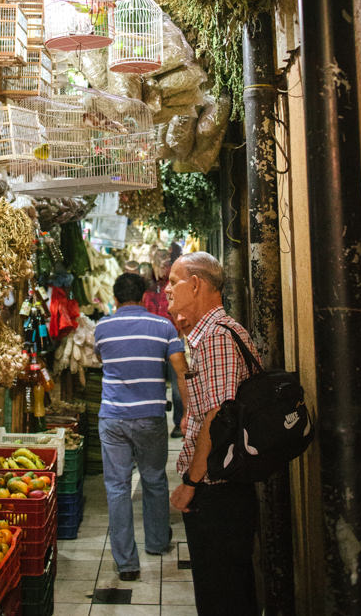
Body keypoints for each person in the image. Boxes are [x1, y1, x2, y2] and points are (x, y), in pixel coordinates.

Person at [166, 252, 260, 616]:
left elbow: (217, 417)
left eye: (173, 282)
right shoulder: (207, 335)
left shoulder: (217, 338)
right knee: (222, 589)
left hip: (219, 490)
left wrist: (192, 481)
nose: (168, 292)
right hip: (219, 487)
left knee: (223, 594)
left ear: (196, 284)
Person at [94, 272, 187, 581]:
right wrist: (188, 412)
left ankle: (126, 563)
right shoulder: (164, 327)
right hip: (151, 417)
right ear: (146, 296)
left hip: (114, 417)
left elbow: (101, 360)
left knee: (117, 487)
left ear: (116, 298)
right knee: (154, 479)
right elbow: (180, 370)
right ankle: (158, 543)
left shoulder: (102, 328)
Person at [142, 254, 184, 437]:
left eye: (165, 265)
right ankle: (152, 424)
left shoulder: (173, 286)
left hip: (173, 338)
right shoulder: (147, 290)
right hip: (152, 342)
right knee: (153, 384)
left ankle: (178, 423)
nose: (161, 268)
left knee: (177, 387)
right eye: (158, 264)